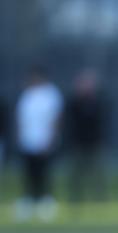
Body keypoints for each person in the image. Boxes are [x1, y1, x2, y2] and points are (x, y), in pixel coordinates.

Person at [14, 65, 64, 222]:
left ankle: (46, 204)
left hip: (44, 140)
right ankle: (28, 203)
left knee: (44, 173)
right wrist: (20, 136)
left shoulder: (51, 94)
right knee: (29, 174)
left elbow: (56, 118)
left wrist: (51, 139)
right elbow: (21, 117)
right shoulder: (27, 94)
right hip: (28, 141)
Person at [65, 68, 109, 203]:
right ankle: (75, 200)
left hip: (94, 143)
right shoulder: (74, 103)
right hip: (78, 143)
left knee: (97, 173)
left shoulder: (98, 102)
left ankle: (99, 200)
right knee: (76, 174)